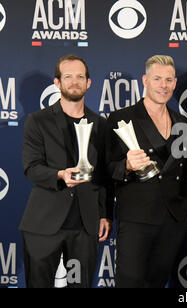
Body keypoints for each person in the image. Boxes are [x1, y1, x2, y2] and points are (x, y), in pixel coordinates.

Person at [20, 54, 113, 288]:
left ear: (89, 83)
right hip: (43, 225)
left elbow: (104, 174)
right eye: (68, 76)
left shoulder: (101, 125)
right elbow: (31, 168)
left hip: (85, 226)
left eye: (80, 76)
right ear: (57, 82)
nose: (74, 81)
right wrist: (60, 175)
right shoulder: (37, 121)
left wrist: (104, 213)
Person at [105, 55, 187, 288]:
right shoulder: (121, 118)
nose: (163, 85)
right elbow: (105, 170)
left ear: (174, 83)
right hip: (136, 217)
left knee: (157, 282)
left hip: (172, 219)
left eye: (168, 80)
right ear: (145, 80)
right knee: (130, 283)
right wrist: (126, 166)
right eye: (157, 79)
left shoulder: (183, 122)